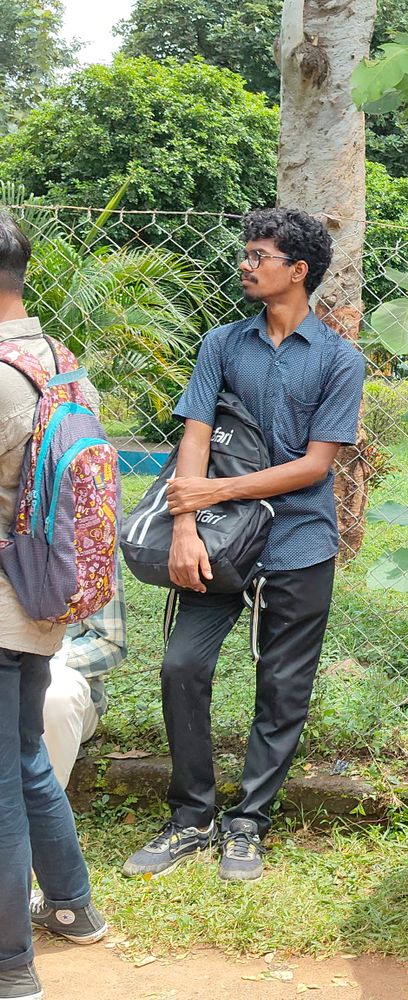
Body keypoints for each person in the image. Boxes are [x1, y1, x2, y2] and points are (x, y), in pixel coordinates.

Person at [122, 207, 365, 883]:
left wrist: (214, 496)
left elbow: (316, 466)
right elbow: (194, 437)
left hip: (298, 542)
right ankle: (191, 815)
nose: (246, 263)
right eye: (246, 252)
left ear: (298, 271)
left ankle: (248, 823)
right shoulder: (222, 344)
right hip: (214, 544)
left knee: (282, 690)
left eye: (259, 255)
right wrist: (182, 525)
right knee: (180, 667)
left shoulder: (342, 360)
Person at [0, 214, 107, 1000]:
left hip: (3, 603)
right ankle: (72, 907)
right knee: (24, 755)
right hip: (42, 602)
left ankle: (10, 965)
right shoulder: (60, 364)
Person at [42, 566, 126, 788]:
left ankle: (42, 811)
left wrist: (41, 660)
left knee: (56, 695)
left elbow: (109, 643)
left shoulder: (90, 540)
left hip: (60, 675)